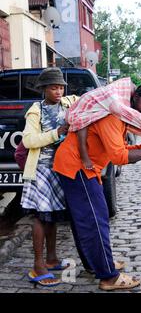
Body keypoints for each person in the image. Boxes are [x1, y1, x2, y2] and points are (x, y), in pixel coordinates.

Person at [53, 83, 141, 291]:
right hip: (78, 168)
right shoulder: (113, 115)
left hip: (79, 167)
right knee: (95, 221)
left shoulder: (120, 113)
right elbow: (119, 157)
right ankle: (108, 276)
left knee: (86, 220)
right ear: (136, 96)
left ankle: (95, 265)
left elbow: (120, 148)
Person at [21, 68, 77, 287]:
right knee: (39, 218)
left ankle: (52, 258)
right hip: (40, 170)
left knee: (51, 216)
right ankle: (38, 264)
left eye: (61, 87)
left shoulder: (67, 103)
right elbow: (28, 141)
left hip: (59, 169)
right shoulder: (36, 111)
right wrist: (57, 133)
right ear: (43, 89)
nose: (58, 91)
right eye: (53, 87)